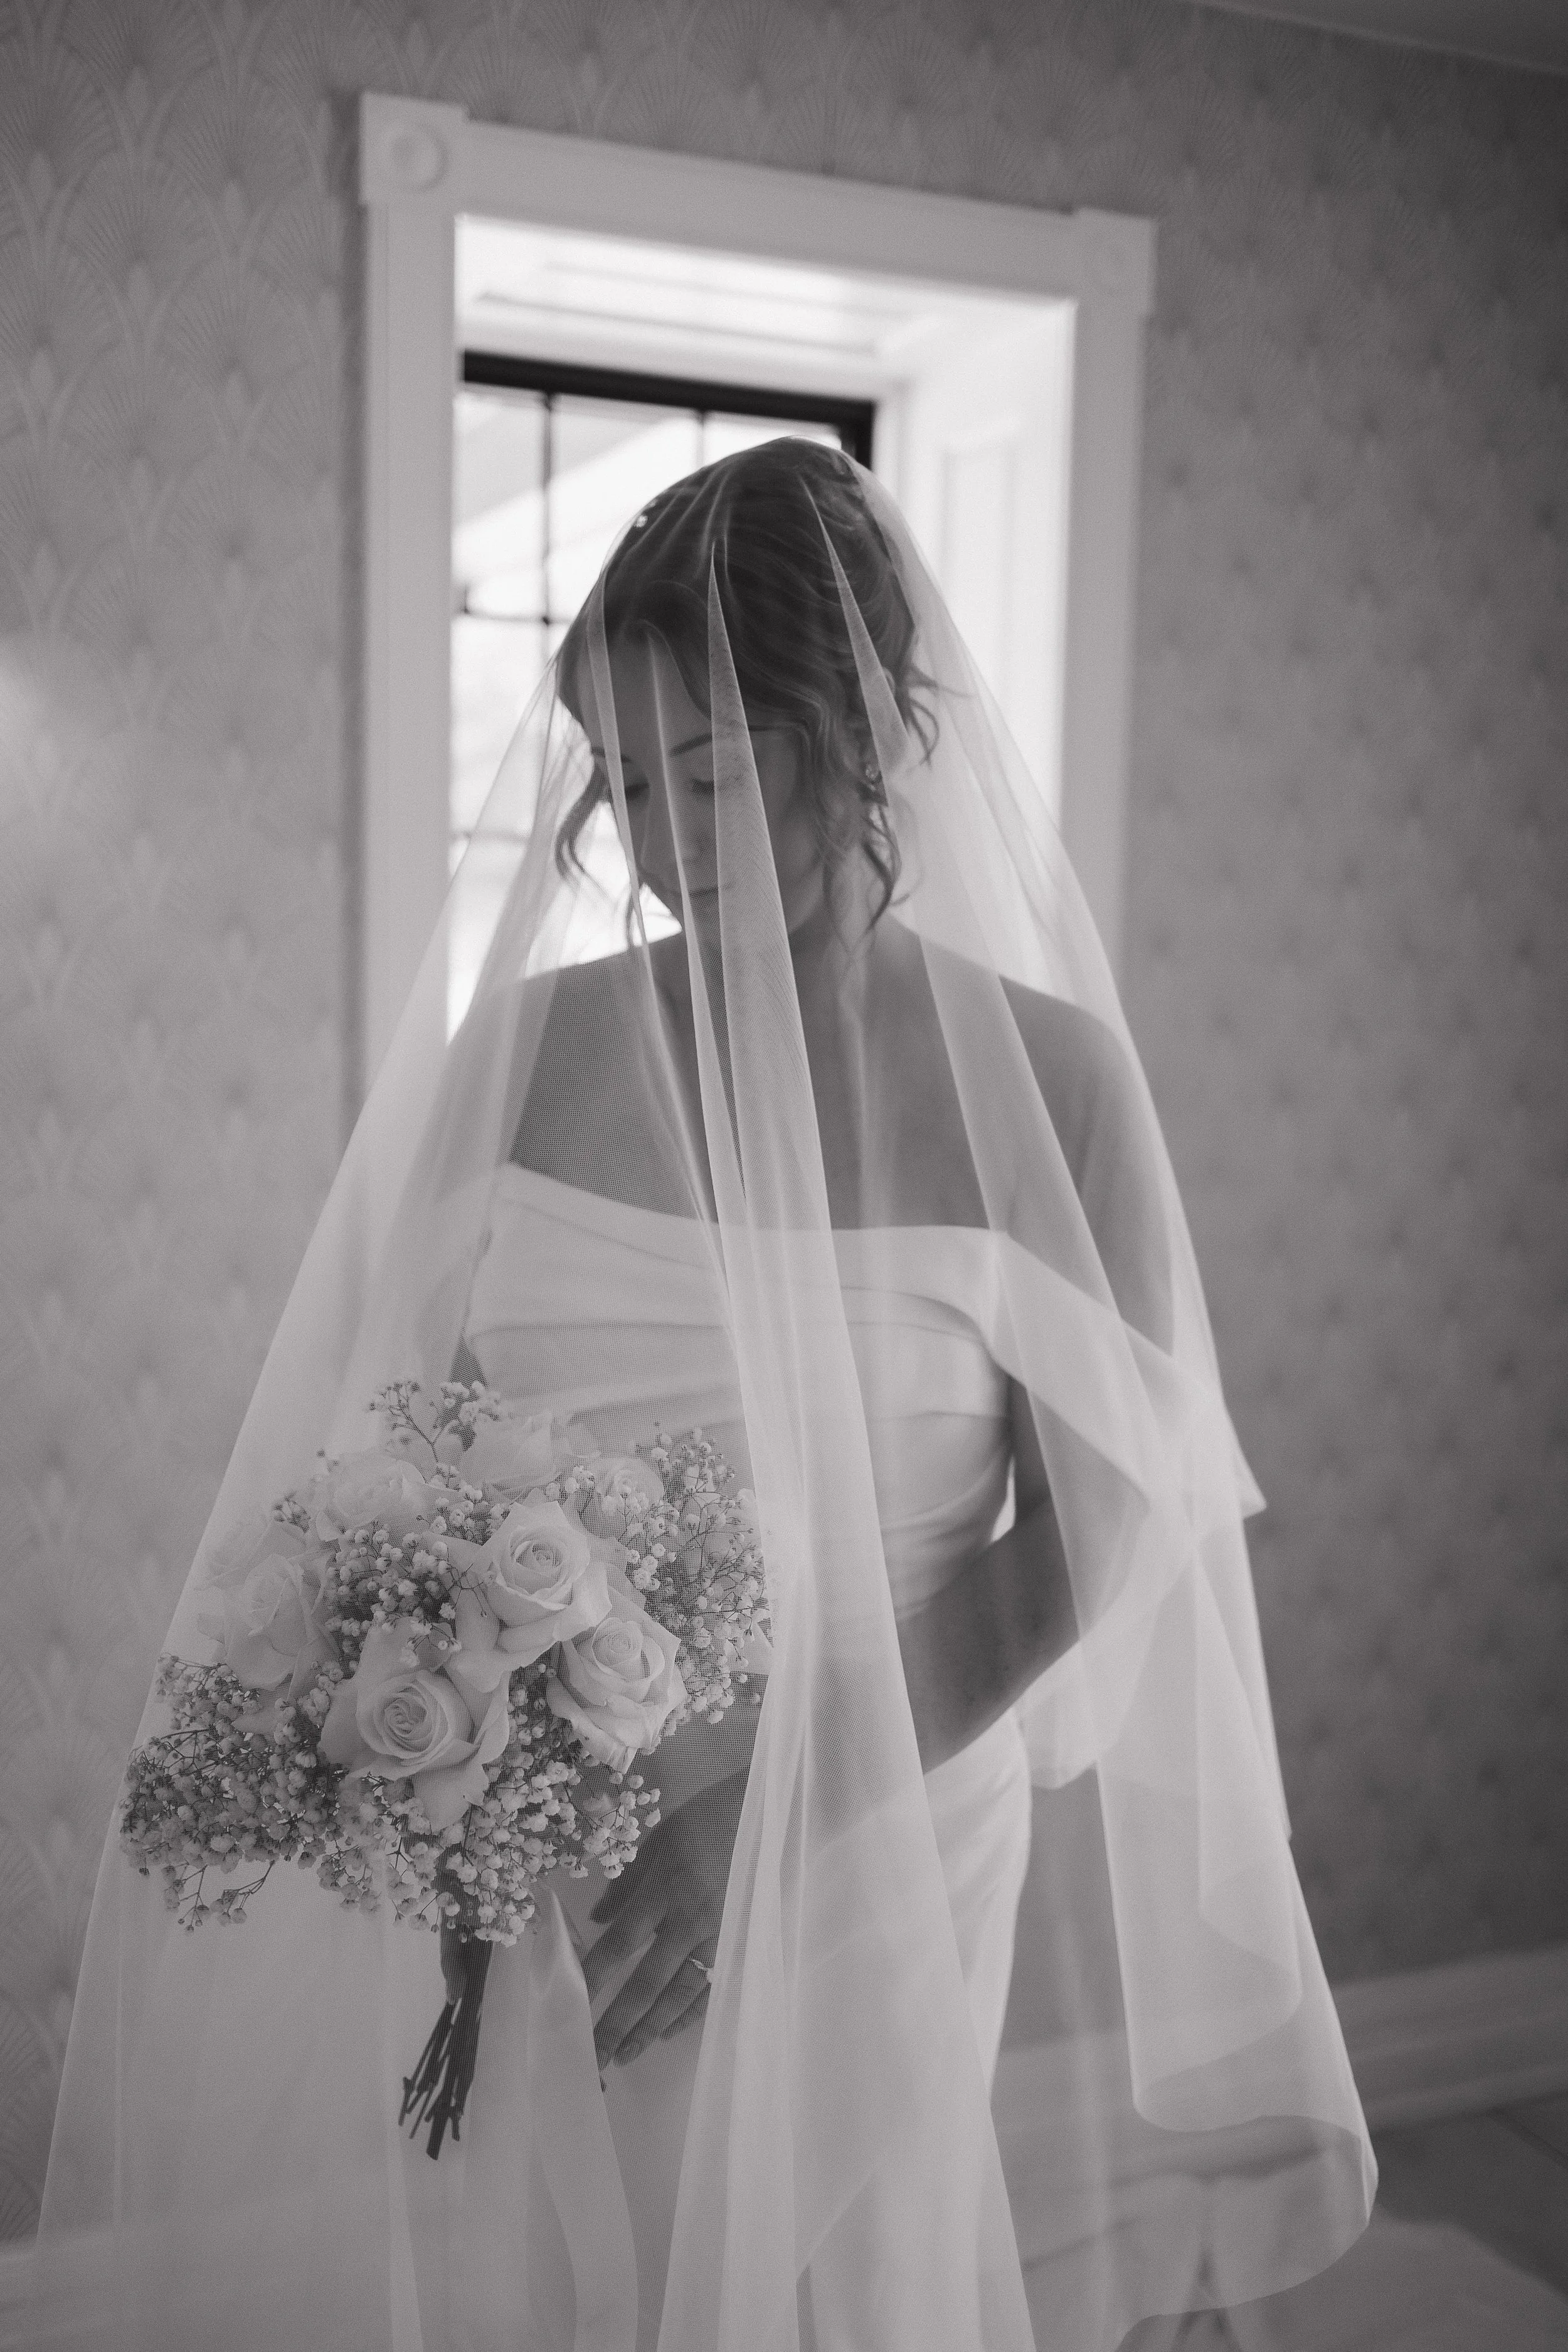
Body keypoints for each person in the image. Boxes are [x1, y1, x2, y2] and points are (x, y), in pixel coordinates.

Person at [30, 440, 1373, 2351]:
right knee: (565, 2265)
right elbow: (401, 1447)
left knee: (826, 2278)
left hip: (886, 1824)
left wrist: (778, 1794)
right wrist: (482, 1735)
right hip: (554, 1849)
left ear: (863, 736)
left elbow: (1109, 1510)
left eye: (716, 775)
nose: (665, 841)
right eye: (628, 781)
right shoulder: (535, 1054)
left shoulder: (1049, 1083)